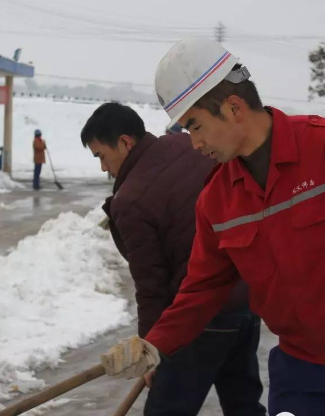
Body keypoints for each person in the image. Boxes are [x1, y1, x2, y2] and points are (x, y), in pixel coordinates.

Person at [101, 38, 325, 416]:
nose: (194, 143)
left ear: (233, 107)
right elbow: (203, 288)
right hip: (301, 372)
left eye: (195, 126)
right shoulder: (216, 198)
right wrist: (155, 344)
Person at [83, 102, 265, 416]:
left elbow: (150, 285)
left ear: (126, 142)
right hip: (246, 299)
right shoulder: (186, 144)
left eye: (101, 155)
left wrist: (152, 349)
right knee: (244, 405)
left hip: (198, 316)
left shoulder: (130, 201)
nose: (103, 167)